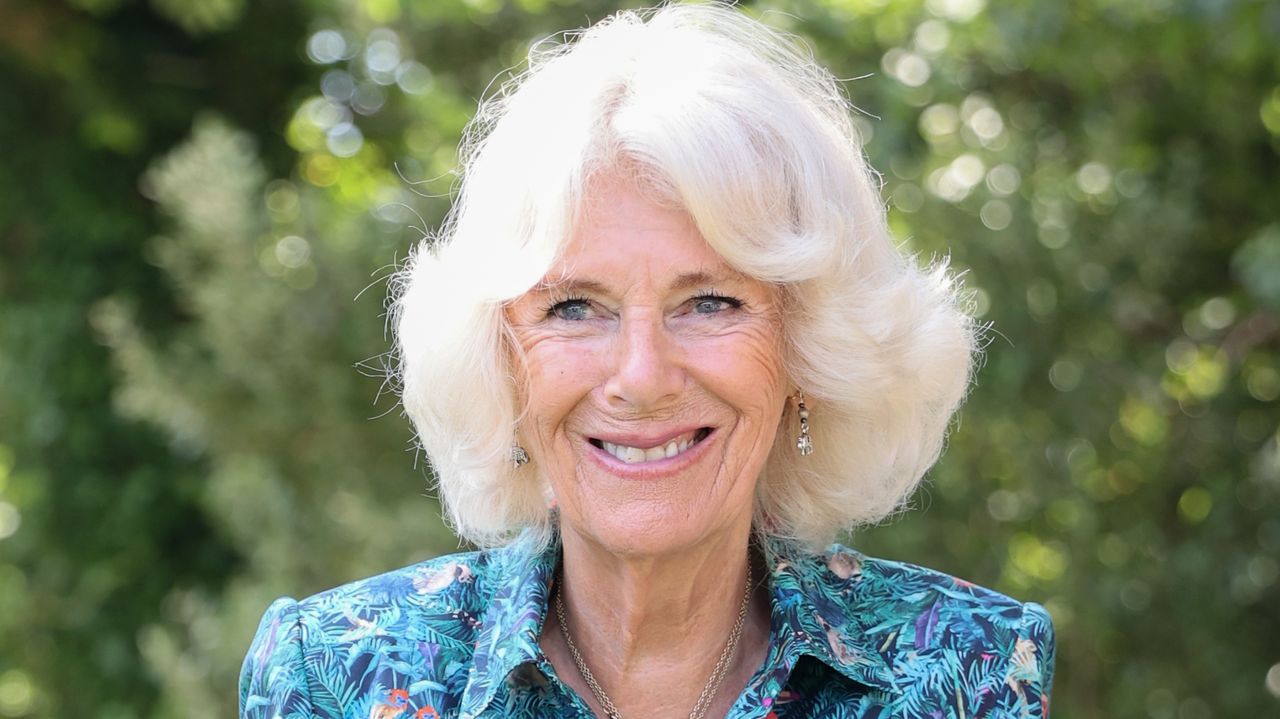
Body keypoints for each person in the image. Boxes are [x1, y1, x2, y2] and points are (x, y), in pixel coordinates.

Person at [238, 3, 1055, 718]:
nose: (641, 375)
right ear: (502, 362)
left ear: (809, 349)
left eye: (710, 302)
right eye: (574, 307)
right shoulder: (334, 677)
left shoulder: (963, 671)